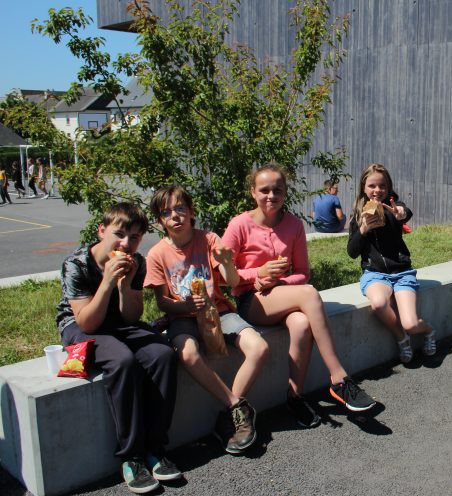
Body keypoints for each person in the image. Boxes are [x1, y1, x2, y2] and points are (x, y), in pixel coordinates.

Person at [222, 162, 376, 427]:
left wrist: (278, 280)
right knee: (309, 294)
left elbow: (303, 273)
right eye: (264, 190)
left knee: (302, 324)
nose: (271, 195)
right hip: (251, 300)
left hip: (283, 296)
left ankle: (294, 396)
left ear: (285, 192)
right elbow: (224, 275)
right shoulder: (239, 225)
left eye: (277, 190)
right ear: (253, 192)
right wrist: (258, 275)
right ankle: (339, 378)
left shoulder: (293, 225)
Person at [55, 202, 181, 494]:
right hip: (81, 324)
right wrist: (108, 282)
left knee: (162, 354)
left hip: (117, 323)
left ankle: (154, 448)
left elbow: (131, 318)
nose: (126, 244)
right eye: (119, 234)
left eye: (134, 237)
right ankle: (131, 456)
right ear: (102, 231)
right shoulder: (77, 264)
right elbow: (88, 323)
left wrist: (124, 286)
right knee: (123, 361)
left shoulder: (137, 262)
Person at [144, 185, 269, 455]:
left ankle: (229, 414)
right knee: (188, 353)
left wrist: (227, 263)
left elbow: (232, 282)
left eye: (180, 208)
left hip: (218, 310)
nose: (175, 216)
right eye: (166, 212)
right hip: (182, 317)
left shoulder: (209, 239)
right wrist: (185, 305)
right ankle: (236, 406)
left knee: (259, 348)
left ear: (191, 212)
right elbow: (162, 302)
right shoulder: (156, 254)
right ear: (159, 221)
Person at [347, 163, 436, 363]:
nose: (377, 190)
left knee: (411, 324)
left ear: (388, 188)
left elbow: (405, 212)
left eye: (382, 186)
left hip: (402, 272)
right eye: (372, 186)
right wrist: (362, 230)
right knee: (379, 304)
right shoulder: (358, 216)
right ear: (363, 187)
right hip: (375, 273)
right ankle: (402, 338)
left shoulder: (393, 207)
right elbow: (352, 252)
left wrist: (400, 214)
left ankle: (429, 330)